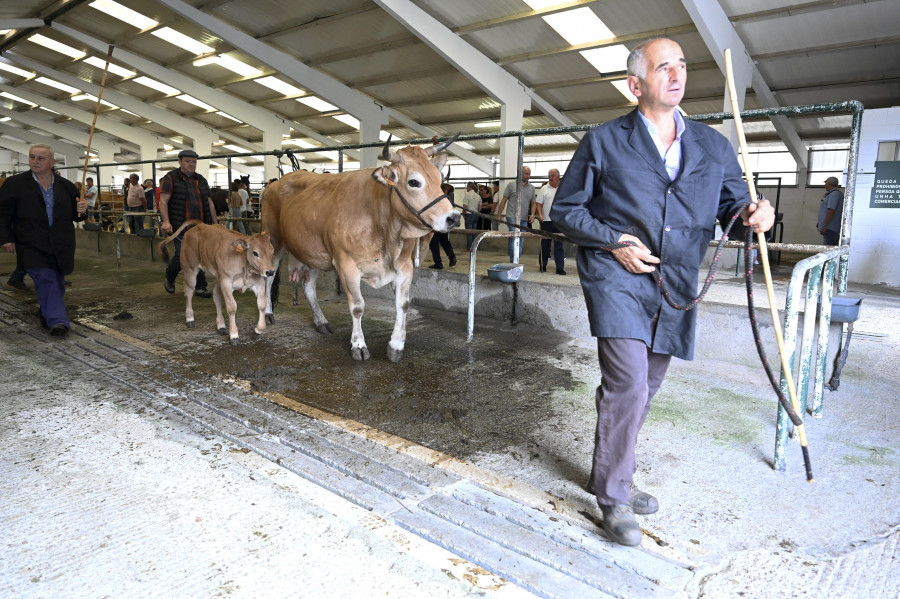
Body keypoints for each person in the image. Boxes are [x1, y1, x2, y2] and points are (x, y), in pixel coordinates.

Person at [550, 38, 774, 547]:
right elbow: (565, 211)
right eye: (662, 67)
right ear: (636, 84)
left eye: (681, 66)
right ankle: (613, 497)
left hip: (674, 281)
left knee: (645, 388)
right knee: (628, 384)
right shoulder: (604, 141)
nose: (676, 75)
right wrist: (614, 242)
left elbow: (736, 212)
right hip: (617, 276)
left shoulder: (715, 146)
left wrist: (757, 215)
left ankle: (612, 471)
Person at [0, 144, 88, 337]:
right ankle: (58, 321)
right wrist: (6, 238)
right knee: (46, 278)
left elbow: (77, 216)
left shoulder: (66, 186)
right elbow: (3, 214)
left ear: (52, 162)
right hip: (30, 243)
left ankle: (45, 312)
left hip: (61, 243)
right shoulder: (14, 184)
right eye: (32, 157)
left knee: (56, 281)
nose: (35, 161)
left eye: (40, 158)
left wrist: (83, 209)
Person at [159, 149, 217, 298]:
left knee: (201, 255)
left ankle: (200, 286)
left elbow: (210, 203)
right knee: (182, 254)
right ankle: (170, 276)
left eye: (194, 161)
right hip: (180, 226)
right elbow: (163, 201)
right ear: (180, 162)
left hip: (201, 226)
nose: (191, 164)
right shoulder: (170, 178)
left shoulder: (201, 180)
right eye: (188, 161)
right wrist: (166, 221)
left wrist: (216, 225)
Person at [495, 167, 535, 263]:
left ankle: (515, 260)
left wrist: (532, 214)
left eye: (529, 174)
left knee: (521, 240)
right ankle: (513, 262)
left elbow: (533, 202)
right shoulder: (511, 185)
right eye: (526, 173)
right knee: (514, 238)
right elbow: (504, 200)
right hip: (512, 216)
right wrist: (499, 215)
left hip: (524, 218)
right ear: (520, 173)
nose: (528, 176)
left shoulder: (531, 188)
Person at [533, 169, 566, 275]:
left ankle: (559, 268)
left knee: (559, 246)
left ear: (558, 177)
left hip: (559, 222)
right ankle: (543, 265)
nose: (550, 178)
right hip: (546, 221)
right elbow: (539, 203)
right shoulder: (544, 188)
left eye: (553, 175)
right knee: (545, 245)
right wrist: (540, 215)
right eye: (549, 176)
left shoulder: (563, 189)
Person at [428, 183, 457, 269]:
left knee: (434, 243)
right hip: (446, 224)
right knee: (445, 241)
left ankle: (438, 263)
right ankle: (452, 256)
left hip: (438, 223)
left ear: (445, 191)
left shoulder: (442, 199)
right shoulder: (450, 199)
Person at [817, 176, 844, 246]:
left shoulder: (834, 194)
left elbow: (831, 210)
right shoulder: (836, 194)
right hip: (831, 228)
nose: (825, 185)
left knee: (828, 249)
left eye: (826, 183)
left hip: (830, 228)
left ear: (829, 184)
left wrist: (824, 226)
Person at [462, 181, 480, 250]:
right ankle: (474, 247)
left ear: (469, 187)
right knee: (474, 232)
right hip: (476, 215)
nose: (466, 188)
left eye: (467, 186)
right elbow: (479, 207)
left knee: (469, 232)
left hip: (469, 215)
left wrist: (464, 214)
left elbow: (465, 206)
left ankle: (469, 248)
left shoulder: (467, 195)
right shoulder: (478, 196)